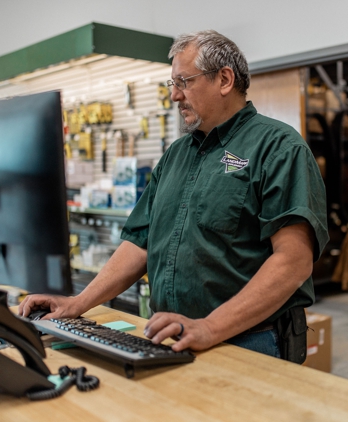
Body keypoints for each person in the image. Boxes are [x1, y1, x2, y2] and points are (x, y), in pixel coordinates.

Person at [19, 30, 329, 362]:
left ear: (224, 79)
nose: (175, 96)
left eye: (184, 82)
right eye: (172, 84)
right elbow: (140, 241)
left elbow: (293, 262)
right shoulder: (176, 154)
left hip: (250, 342)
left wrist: (210, 327)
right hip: (173, 336)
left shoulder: (279, 148)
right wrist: (77, 302)